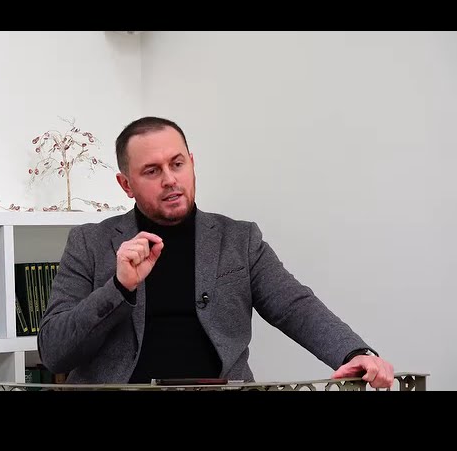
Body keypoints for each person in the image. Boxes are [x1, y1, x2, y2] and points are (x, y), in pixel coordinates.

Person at [37, 116, 395, 389]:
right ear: (126, 184)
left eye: (177, 164)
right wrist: (119, 288)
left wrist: (355, 353)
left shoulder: (239, 239)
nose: (170, 179)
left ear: (192, 163)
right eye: (152, 171)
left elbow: (294, 306)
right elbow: (54, 352)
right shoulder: (89, 242)